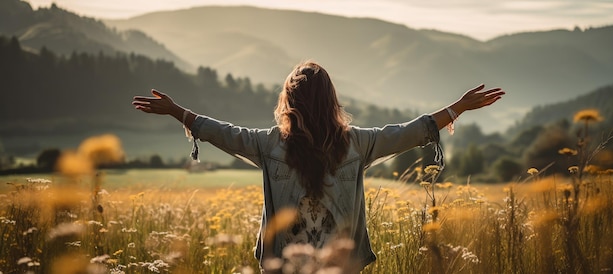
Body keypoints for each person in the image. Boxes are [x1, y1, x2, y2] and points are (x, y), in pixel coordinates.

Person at [132, 61, 504, 272]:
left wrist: (176, 111)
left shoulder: (268, 144)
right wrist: (458, 107)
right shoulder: (357, 143)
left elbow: (221, 133)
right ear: (331, 101)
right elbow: (411, 132)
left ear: (288, 100)